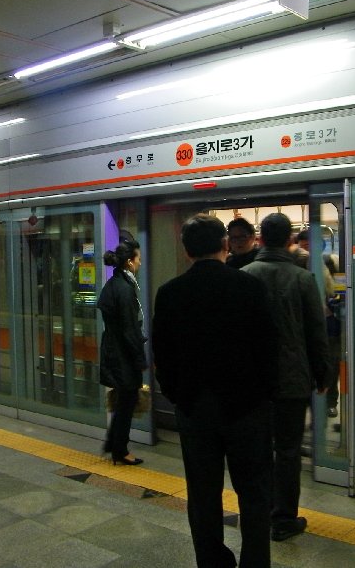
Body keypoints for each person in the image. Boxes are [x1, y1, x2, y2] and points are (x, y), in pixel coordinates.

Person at [153, 214, 278, 568]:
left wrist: (179, 396)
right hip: (247, 408)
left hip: (195, 409)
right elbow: (268, 348)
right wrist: (264, 395)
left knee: (203, 495)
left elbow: (163, 355)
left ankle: (212, 562)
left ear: (187, 250)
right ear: (225, 245)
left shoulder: (170, 293)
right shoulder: (249, 287)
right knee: (254, 494)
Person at [242, 213, 331, 542]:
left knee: (258, 448)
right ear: (290, 240)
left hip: (253, 382)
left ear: (260, 239)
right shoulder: (303, 279)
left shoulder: (244, 275)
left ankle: (258, 511)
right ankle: (283, 519)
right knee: (288, 451)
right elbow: (316, 333)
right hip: (292, 380)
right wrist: (323, 373)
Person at [98, 240, 147, 465]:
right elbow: (129, 329)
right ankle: (120, 450)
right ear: (129, 262)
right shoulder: (125, 289)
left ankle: (112, 442)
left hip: (113, 350)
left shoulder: (113, 284)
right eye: (137, 258)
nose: (139, 262)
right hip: (124, 355)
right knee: (127, 401)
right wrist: (140, 359)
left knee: (122, 400)